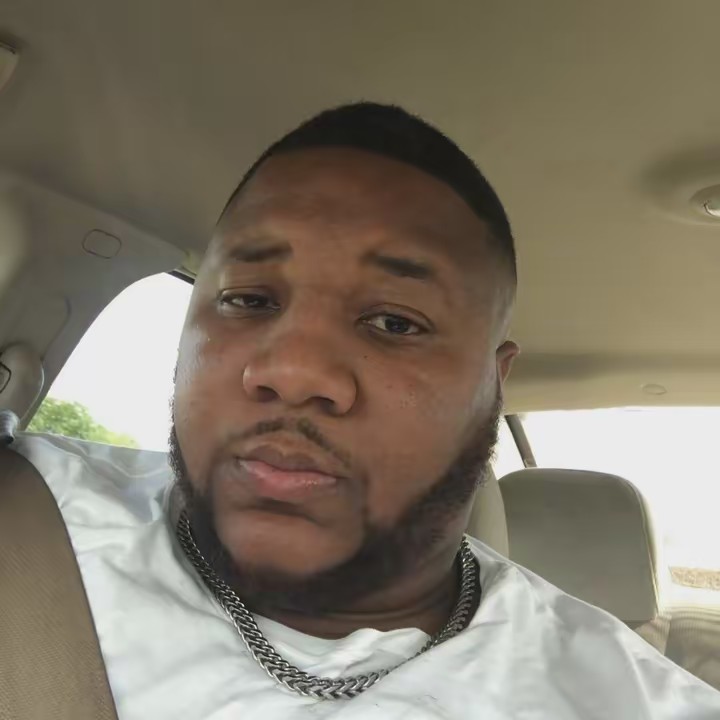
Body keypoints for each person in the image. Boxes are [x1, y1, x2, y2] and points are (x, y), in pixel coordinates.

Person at [16, 103, 720, 718]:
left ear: (493, 383)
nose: (293, 373)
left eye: (395, 322)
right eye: (248, 299)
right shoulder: (33, 514)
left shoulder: (628, 700)